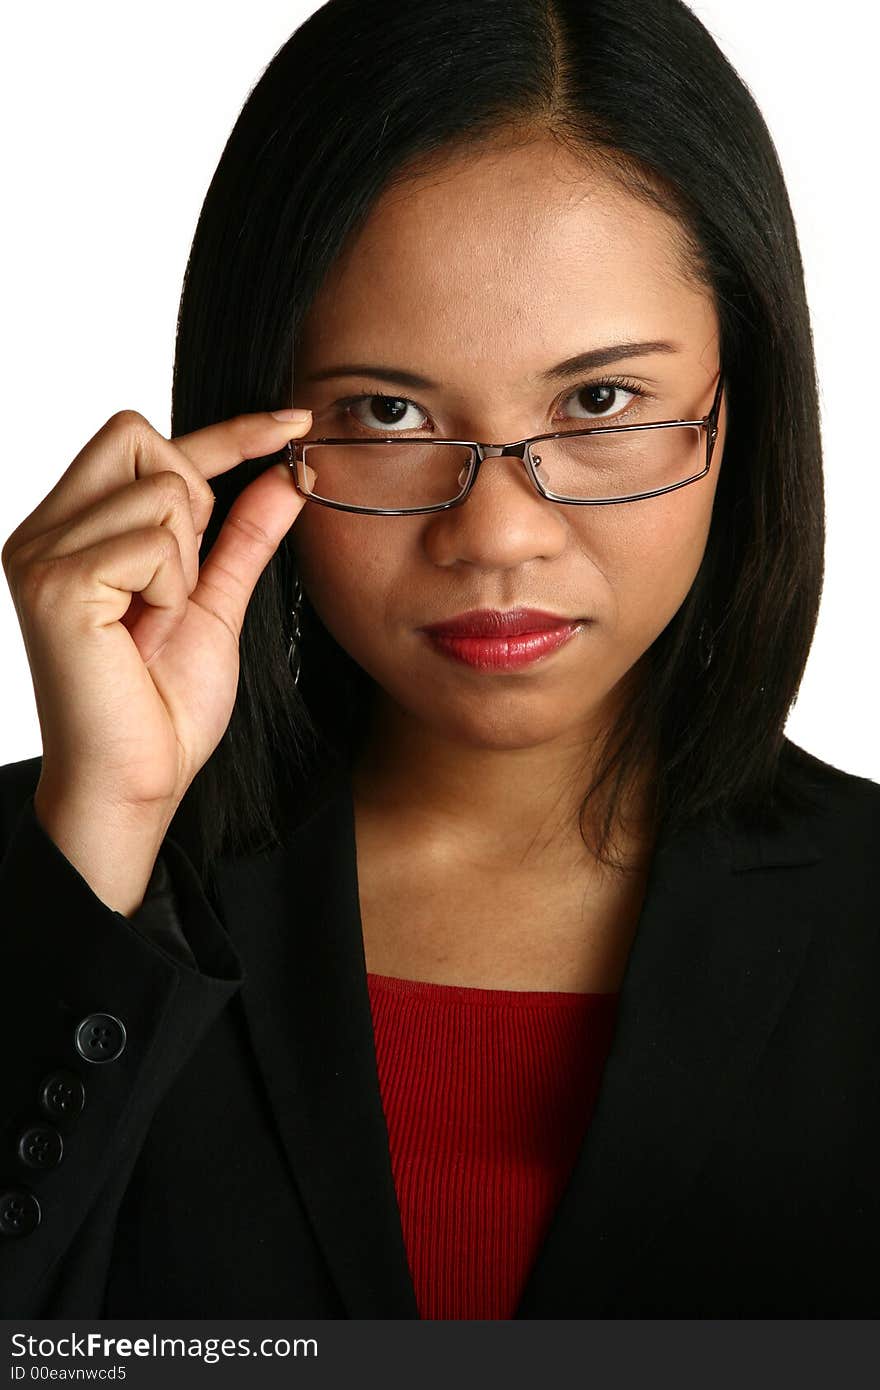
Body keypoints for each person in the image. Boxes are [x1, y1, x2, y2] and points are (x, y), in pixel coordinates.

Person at [0, 0, 877, 1320]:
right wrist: (104, 833)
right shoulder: (60, 888)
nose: (497, 537)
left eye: (598, 402)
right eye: (387, 411)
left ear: (737, 407)